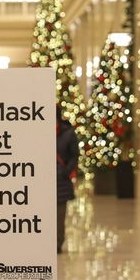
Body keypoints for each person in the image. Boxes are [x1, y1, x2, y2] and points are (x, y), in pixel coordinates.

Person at [56, 107, 79, 254]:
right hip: (41, 183)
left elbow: (74, 155)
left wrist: (65, 171)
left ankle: (57, 243)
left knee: (59, 216)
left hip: (61, 181)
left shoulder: (68, 134)